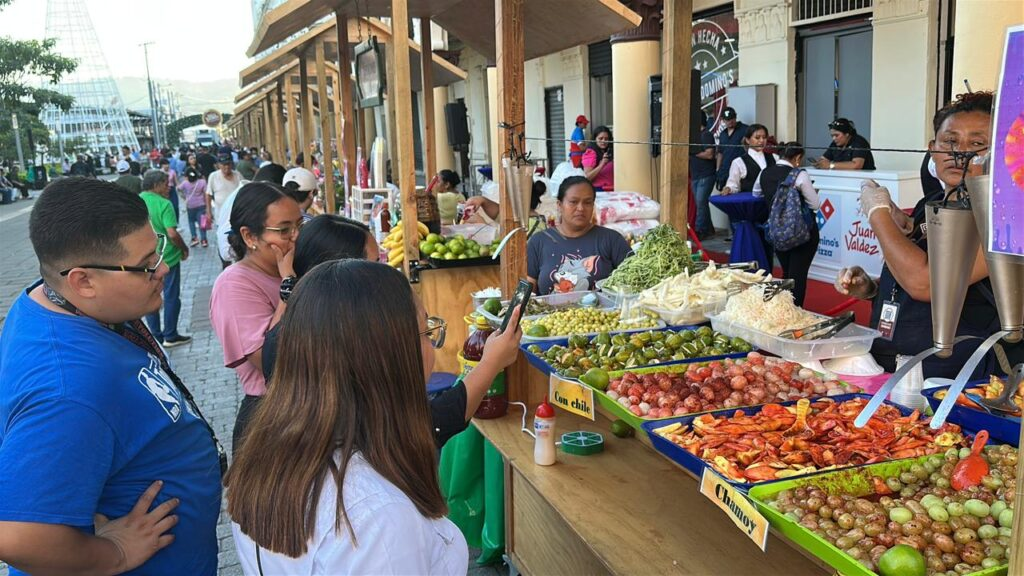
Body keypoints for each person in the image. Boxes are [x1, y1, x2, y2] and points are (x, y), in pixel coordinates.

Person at [227, 259, 521, 574]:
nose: (432, 346)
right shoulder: (378, 520)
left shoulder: (265, 453)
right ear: (387, 357)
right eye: (425, 332)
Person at [0, 178, 222, 575]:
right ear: (83, 281)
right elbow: (19, 536)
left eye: (157, 251)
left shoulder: (59, 300)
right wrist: (114, 554)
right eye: (145, 265)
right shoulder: (69, 389)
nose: (163, 268)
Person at [835, 92, 1002, 378]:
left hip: (958, 373)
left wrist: (877, 213)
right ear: (932, 149)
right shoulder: (931, 203)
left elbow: (926, 284)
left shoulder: (1000, 217)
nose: (959, 153)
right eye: (949, 141)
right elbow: (911, 271)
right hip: (893, 361)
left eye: (977, 144)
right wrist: (873, 289)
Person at [209, 182, 302, 450]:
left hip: (301, 409)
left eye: (299, 225)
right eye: (284, 230)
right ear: (249, 236)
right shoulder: (233, 284)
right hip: (271, 417)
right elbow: (268, 360)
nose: (295, 236)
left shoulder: (287, 267)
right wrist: (288, 285)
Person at [527, 176, 631, 294]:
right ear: (559, 205)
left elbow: (633, 283)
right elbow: (528, 291)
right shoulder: (539, 242)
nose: (581, 208)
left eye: (587, 202)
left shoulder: (612, 240)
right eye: (573, 202)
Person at [758, 142, 820, 306]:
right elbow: (815, 204)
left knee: (786, 272)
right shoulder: (799, 175)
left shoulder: (764, 173)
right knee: (798, 275)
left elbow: (756, 193)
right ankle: (795, 310)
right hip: (802, 233)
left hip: (777, 231)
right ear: (797, 157)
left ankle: (783, 307)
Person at [140, 170, 192, 347]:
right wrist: (184, 248)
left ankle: (155, 336)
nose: (168, 187)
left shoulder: (136, 201)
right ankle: (170, 334)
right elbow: (172, 233)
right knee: (171, 296)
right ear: (156, 185)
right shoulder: (164, 204)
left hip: (145, 259)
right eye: (165, 183)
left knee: (150, 294)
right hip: (167, 257)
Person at [721, 123, 778, 196]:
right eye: (757, 138)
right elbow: (733, 185)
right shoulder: (738, 162)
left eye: (764, 137)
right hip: (750, 201)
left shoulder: (775, 157)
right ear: (748, 140)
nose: (761, 141)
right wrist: (728, 189)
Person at [690, 111, 717, 239]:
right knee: (701, 203)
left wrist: (693, 153)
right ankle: (709, 228)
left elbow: (710, 154)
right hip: (696, 175)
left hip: (706, 175)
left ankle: (700, 230)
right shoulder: (695, 137)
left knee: (701, 202)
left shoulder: (706, 135)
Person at [715, 107, 748, 191]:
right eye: (727, 120)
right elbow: (720, 152)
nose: (730, 121)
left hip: (740, 170)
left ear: (735, 117)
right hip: (725, 171)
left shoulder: (745, 129)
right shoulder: (723, 134)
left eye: (732, 118)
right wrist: (718, 169)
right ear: (723, 120)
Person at [180, 167, 209, 247]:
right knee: (202, 223)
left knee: (191, 222)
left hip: (190, 206)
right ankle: (204, 240)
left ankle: (194, 238)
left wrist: (184, 196)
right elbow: (206, 193)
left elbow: (178, 188)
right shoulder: (202, 182)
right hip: (201, 205)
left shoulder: (185, 183)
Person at [207, 155, 242, 219]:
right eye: (224, 165)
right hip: (220, 214)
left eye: (228, 164)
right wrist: (209, 211)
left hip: (236, 213)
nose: (227, 167)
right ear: (219, 165)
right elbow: (208, 194)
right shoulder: (213, 176)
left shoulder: (238, 175)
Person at [582, 126, 614, 191]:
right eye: (600, 138)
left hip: (610, 189)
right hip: (599, 190)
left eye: (606, 139)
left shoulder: (608, 151)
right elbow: (587, 177)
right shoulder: (591, 153)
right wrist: (602, 164)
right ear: (595, 139)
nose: (603, 141)